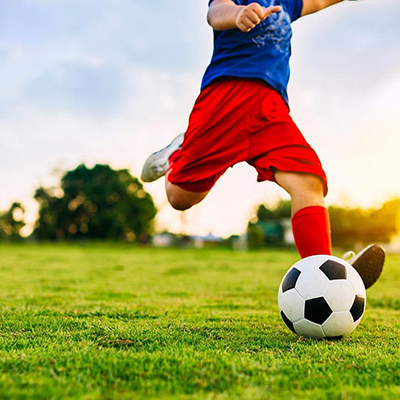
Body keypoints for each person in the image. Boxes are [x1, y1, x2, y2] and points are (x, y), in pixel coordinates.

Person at [140, 0, 385, 289]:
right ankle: (176, 155)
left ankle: (325, 277)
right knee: (180, 198)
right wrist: (238, 14)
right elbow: (215, 13)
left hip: (270, 111)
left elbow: (319, 1)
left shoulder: (288, 3)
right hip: (225, 101)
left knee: (309, 181)